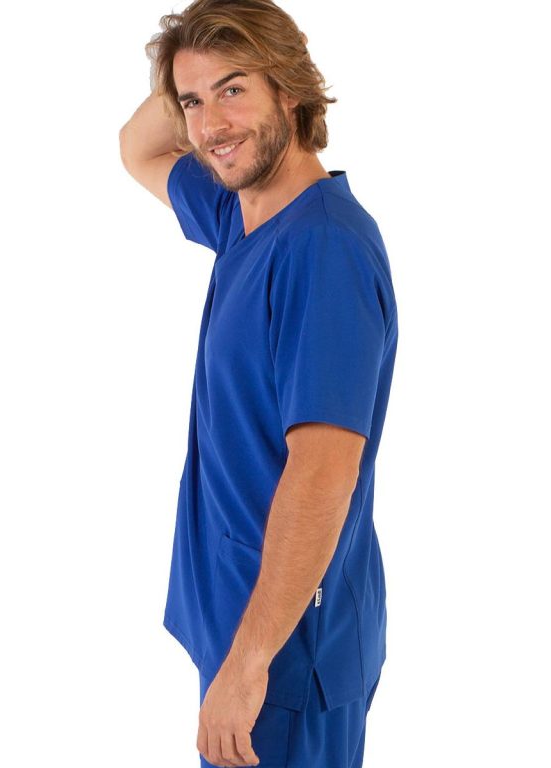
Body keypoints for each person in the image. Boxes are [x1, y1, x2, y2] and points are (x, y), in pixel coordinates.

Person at [119, 2, 398, 766]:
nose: (210, 125)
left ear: (291, 88)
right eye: (192, 101)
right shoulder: (239, 215)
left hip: (283, 652)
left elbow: (324, 471)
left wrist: (248, 667)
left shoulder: (323, 251)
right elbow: (137, 146)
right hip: (243, 624)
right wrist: (192, 51)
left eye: (234, 90)